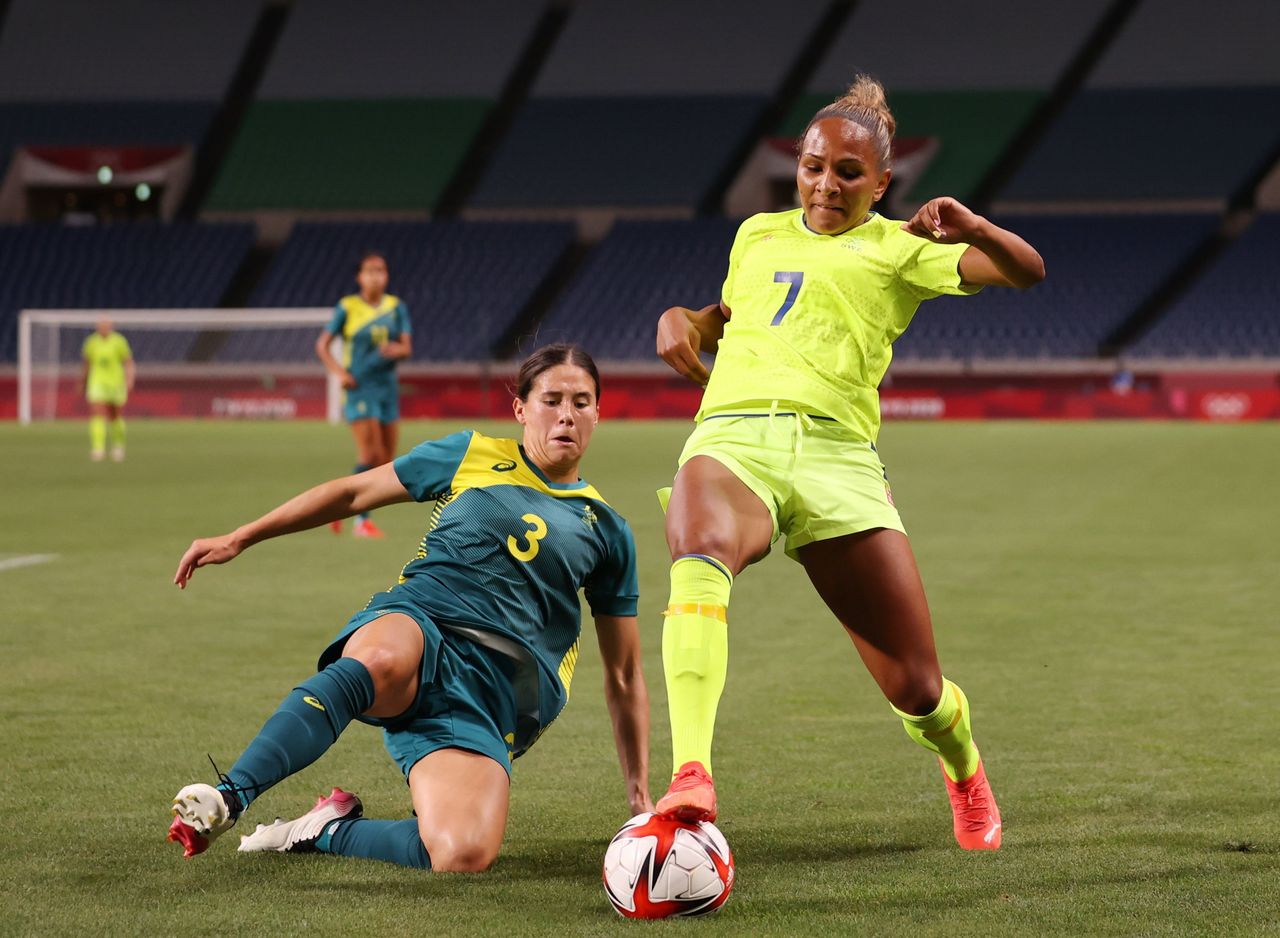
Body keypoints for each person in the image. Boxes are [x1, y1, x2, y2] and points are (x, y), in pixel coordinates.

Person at [652, 75, 1044, 850]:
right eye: (812, 166)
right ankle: (690, 773)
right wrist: (683, 319)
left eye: (848, 173)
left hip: (838, 460)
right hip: (735, 435)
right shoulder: (756, 235)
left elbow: (1025, 270)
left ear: (882, 183)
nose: (825, 184)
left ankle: (963, 768)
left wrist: (974, 227)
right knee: (698, 549)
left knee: (918, 686)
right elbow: (731, 319)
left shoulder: (901, 249)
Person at [167, 344, 651, 872]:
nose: (566, 414)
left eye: (582, 402)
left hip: (496, 694)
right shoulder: (473, 454)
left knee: (461, 853)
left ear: (598, 414)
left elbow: (624, 673)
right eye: (551, 399)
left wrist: (639, 799)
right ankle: (230, 796)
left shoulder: (608, 530)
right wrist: (242, 536)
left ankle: (323, 830)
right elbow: (354, 494)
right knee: (378, 662)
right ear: (521, 409)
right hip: (425, 623)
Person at [315, 251, 413, 538]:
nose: (375, 275)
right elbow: (322, 345)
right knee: (369, 454)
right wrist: (339, 373)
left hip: (386, 391)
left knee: (385, 461)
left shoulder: (396, 307)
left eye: (380, 270)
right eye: (369, 271)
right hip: (360, 390)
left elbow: (407, 347)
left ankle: (331, 504)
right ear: (359, 277)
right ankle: (361, 522)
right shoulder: (348, 307)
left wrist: (396, 350)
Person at [81, 316, 135, 461]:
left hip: (115, 383)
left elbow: (128, 362)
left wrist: (129, 379)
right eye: (101, 325)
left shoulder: (119, 341)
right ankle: (98, 449)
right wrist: (83, 382)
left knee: (114, 415)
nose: (103, 328)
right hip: (97, 383)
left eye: (106, 325)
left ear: (111, 326)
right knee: (97, 413)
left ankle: (118, 446)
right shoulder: (91, 342)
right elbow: (87, 364)